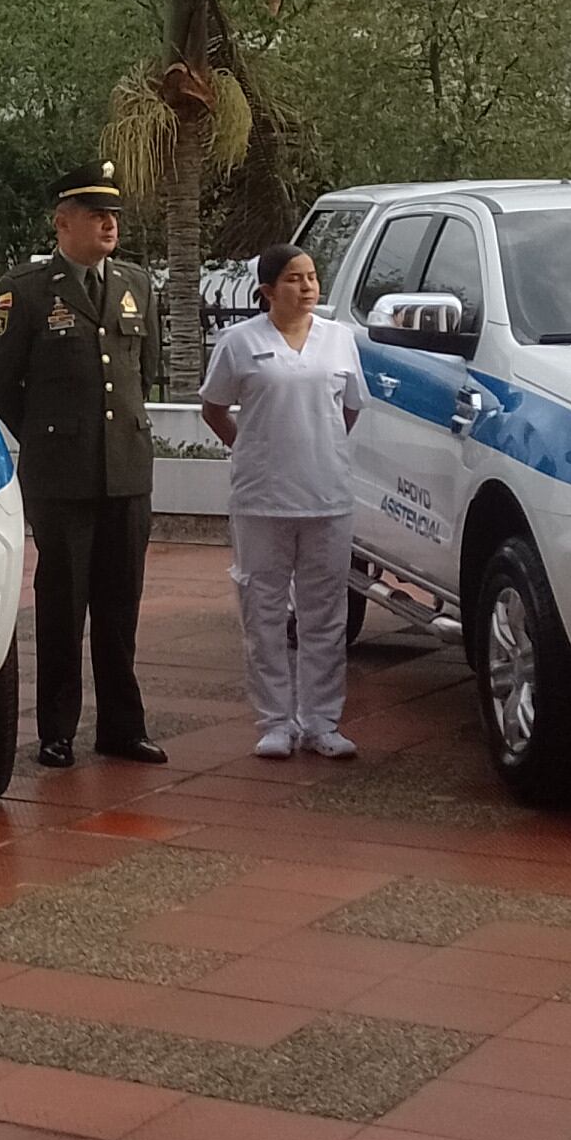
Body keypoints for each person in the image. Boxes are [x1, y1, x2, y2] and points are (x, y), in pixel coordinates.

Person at [0, 162, 165, 769]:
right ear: (64, 224)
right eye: (95, 215)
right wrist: (46, 437)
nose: (109, 224)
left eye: (113, 215)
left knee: (121, 606)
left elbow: (146, 371)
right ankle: (56, 730)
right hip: (62, 475)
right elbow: (3, 382)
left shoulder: (137, 283)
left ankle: (121, 726)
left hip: (127, 472)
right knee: (63, 604)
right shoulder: (29, 290)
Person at [198, 243, 364, 762]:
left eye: (312, 277)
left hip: (327, 497)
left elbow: (350, 409)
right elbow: (214, 408)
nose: (307, 287)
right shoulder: (240, 342)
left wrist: (321, 446)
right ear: (268, 290)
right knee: (263, 612)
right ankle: (274, 721)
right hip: (262, 499)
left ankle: (321, 721)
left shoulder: (339, 340)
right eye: (294, 279)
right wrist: (253, 447)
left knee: (325, 615)